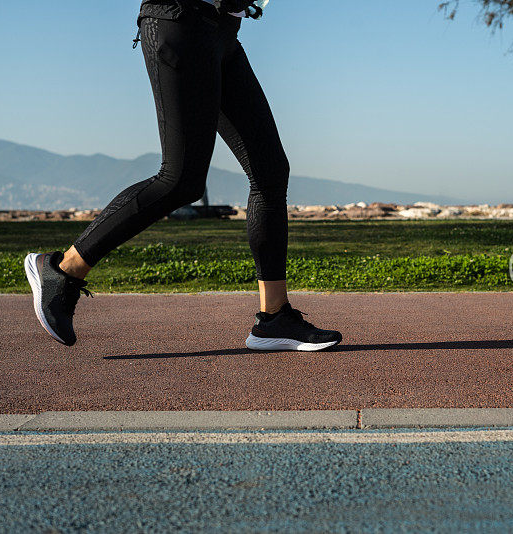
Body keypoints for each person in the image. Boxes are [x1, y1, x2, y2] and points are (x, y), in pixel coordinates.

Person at [23, 0, 342, 352]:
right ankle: (63, 269)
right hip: (180, 21)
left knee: (270, 172)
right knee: (181, 178)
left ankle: (274, 317)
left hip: (223, 33)